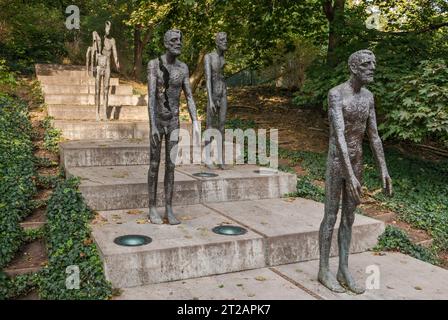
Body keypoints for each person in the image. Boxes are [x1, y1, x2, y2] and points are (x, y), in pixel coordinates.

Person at [318, 49, 393, 294]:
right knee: (331, 215)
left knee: (349, 217)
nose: (372, 67)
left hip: (357, 161)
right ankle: (323, 269)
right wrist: (349, 175)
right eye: (366, 64)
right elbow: (338, 135)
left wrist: (383, 168)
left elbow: (374, 135)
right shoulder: (336, 94)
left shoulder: (369, 97)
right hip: (337, 162)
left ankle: (343, 268)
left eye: (374, 63)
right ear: (353, 68)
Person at [147, 29, 200, 225]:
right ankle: (152, 207)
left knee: (171, 166)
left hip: (174, 122)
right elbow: (151, 97)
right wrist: (152, 125)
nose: (179, 43)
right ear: (166, 43)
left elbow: (189, 96)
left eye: (180, 39)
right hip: (158, 121)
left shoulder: (183, 68)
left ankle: (168, 208)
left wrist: (195, 121)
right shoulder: (154, 65)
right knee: (154, 164)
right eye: (174, 40)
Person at [204, 32, 228, 169]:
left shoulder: (223, 58)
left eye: (226, 40)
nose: (225, 42)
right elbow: (208, 79)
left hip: (223, 93)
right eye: (223, 40)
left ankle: (220, 159)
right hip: (212, 95)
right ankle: (207, 158)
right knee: (210, 126)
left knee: (222, 126)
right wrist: (210, 100)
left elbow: (221, 77)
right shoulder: (208, 57)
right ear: (217, 42)